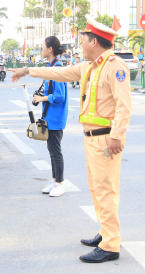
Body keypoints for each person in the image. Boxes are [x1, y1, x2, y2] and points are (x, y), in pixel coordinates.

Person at [9, 15, 132, 264]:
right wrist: (27, 70)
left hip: (106, 139)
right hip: (91, 138)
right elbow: (58, 72)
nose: (81, 44)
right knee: (97, 189)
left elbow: (124, 106)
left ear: (94, 41)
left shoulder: (115, 66)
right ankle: (105, 232)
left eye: (84, 39)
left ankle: (110, 244)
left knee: (106, 190)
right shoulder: (89, 66)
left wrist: (117, 136)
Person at [33, 37, 68, 197]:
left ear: (50, 49)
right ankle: (55, 180)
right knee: (51, 149)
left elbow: (59, 96)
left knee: (55, 151)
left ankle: (60, 183)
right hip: (49, 116)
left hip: (55, 117)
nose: (41, 50)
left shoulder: (57, 69)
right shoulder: (51, 66)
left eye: (43, 47)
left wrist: (42, 98)